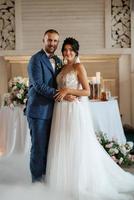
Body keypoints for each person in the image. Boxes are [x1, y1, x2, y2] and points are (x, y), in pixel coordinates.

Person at [45, 37, 134, 200]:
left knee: (75, 143)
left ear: (76, 51)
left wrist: (68, 91)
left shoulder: (79, 66)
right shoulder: (62, 67)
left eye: (71, 49)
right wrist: (63, 94)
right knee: (62, 142)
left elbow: (86, 91)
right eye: (65, 49)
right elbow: (59, 90)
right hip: (61, 109)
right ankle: (63, 181)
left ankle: (79, 182)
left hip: (73, 110)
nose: (67, 52)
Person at [25, 29, 62, 183]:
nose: (52, 43)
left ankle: (47, 177)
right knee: (38, 148)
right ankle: (36, 182)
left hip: (54, 111)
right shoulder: (35, 59)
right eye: (49, 40)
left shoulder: (59, 60)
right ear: (43, 40)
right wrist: (61, 93)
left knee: (49, 147)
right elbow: (39, 85)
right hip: (38, 111)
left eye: (55, 41)